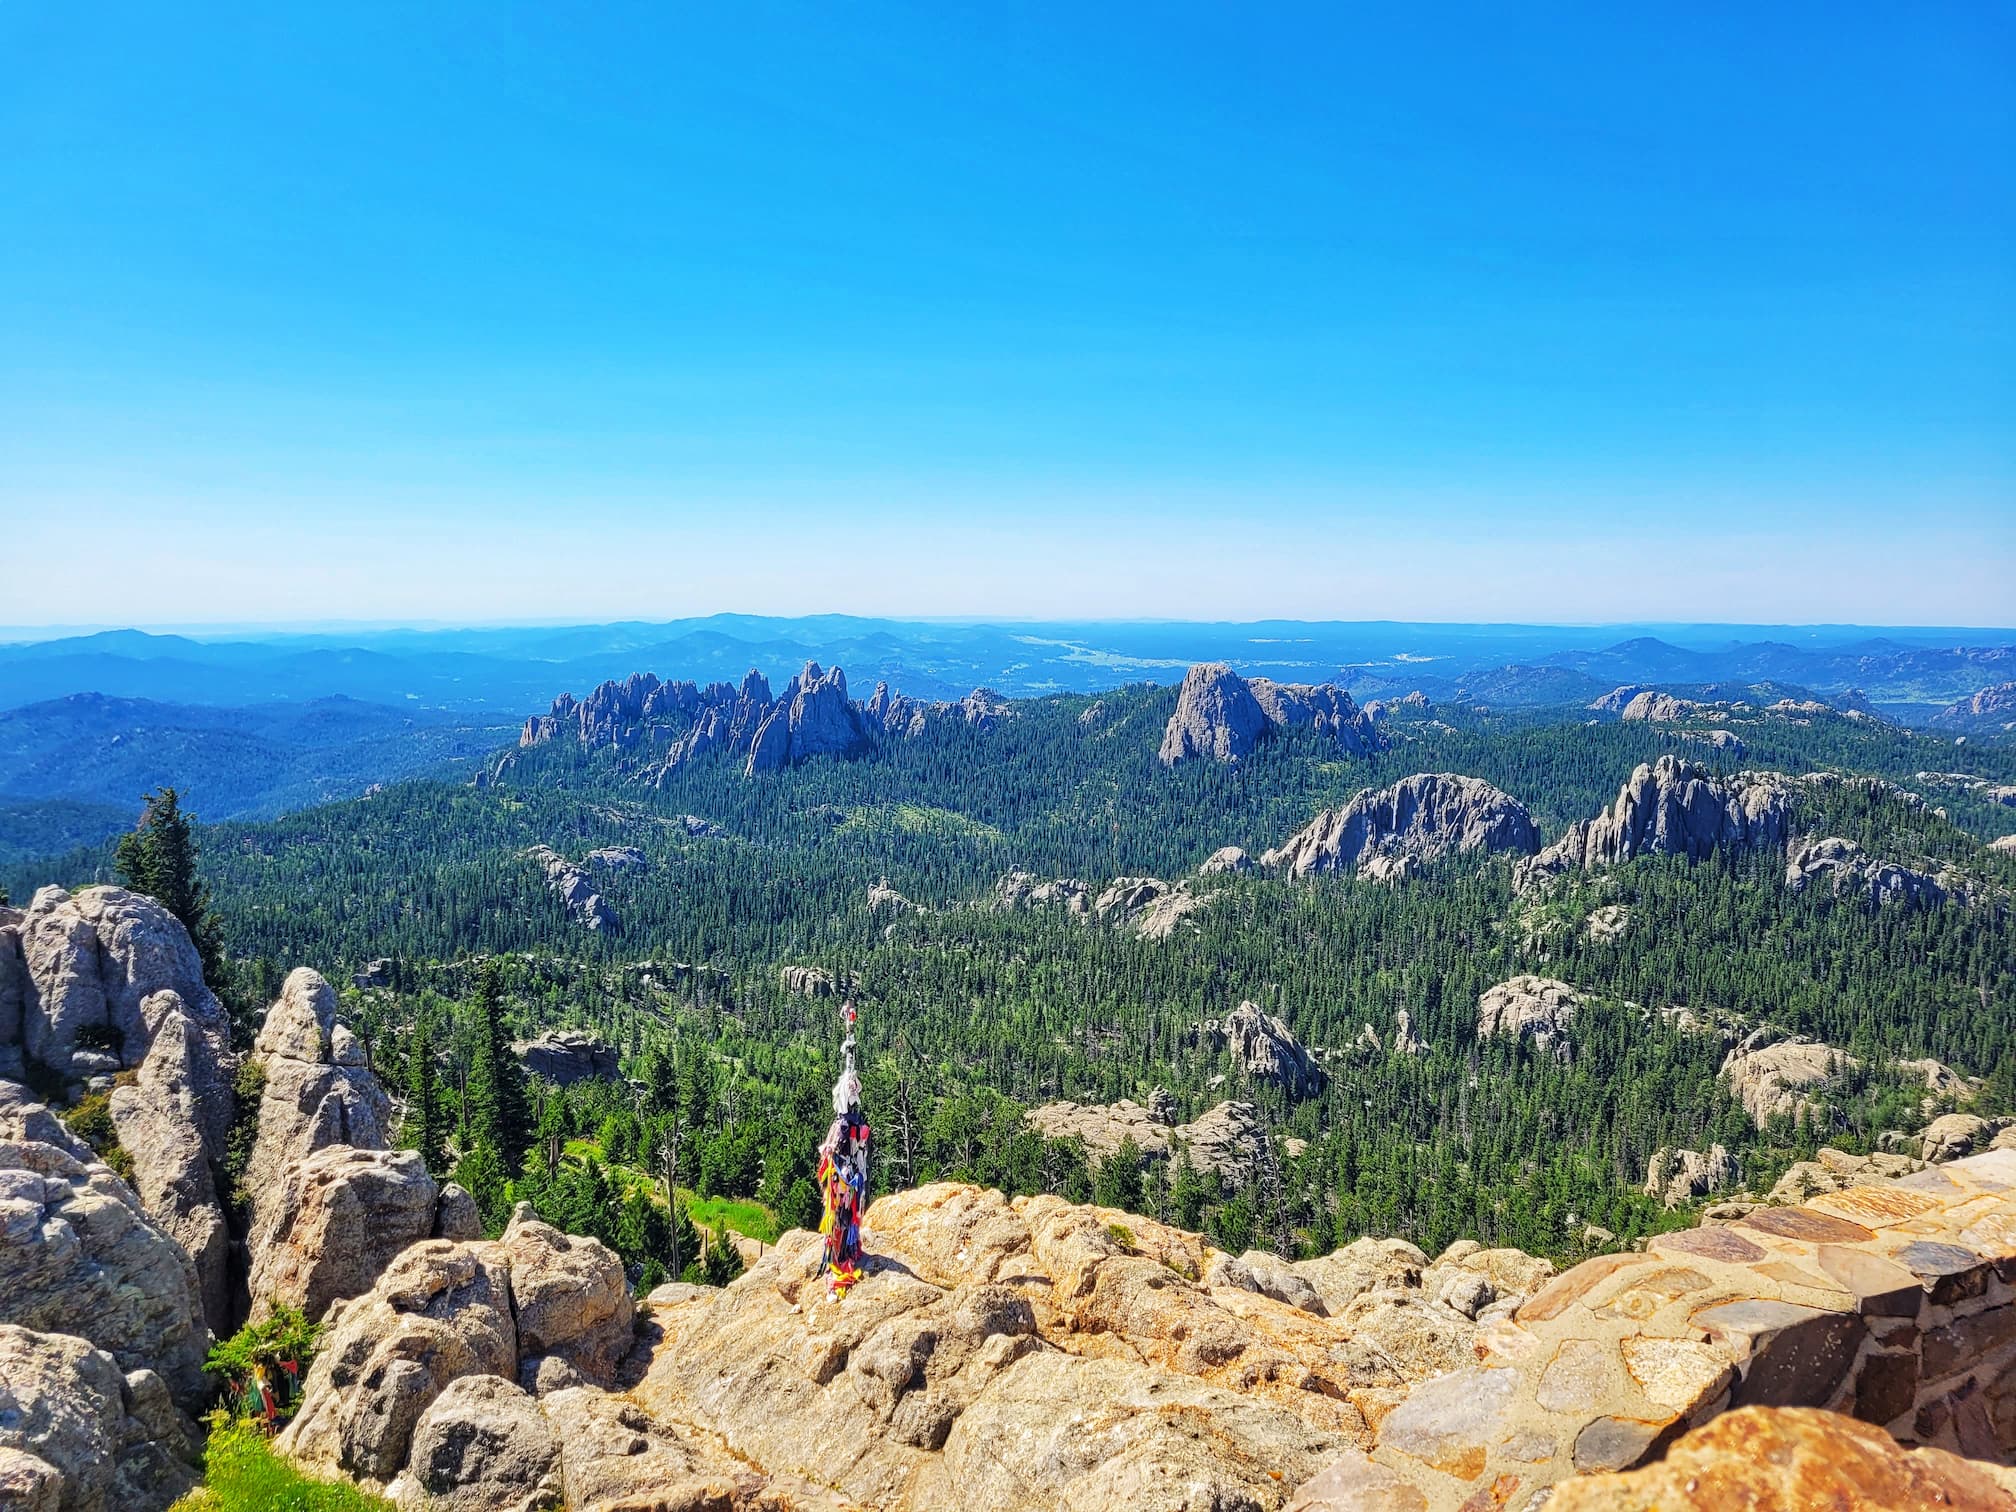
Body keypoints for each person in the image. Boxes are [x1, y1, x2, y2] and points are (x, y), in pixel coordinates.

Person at [816, 1001, 871, 1297]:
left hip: (846, 1174)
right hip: (843, 1176)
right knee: (839, 1213)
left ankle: (844, 1253)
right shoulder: (843, 1128)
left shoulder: (846, 1127)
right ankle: (839, 1259)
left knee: (844, 1213)